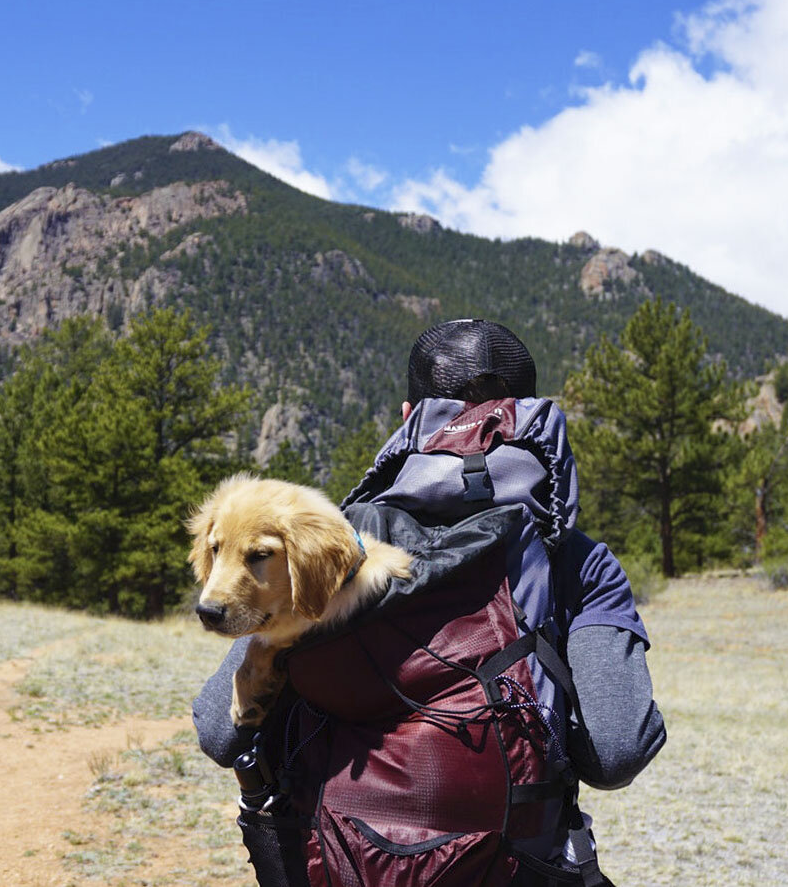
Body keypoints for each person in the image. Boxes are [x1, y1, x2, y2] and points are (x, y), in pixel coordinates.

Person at [193, 319, 666, 886]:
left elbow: (220, 734)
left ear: (406, 418)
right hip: (509, 867)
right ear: (526, 414)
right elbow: (615, 753)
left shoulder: (340, 544)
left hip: (343, 862)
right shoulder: (577, 560)